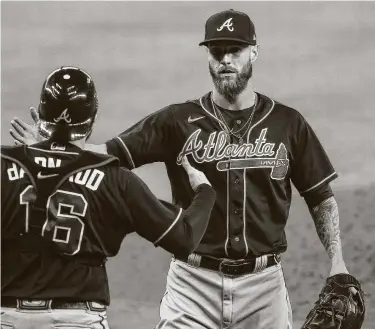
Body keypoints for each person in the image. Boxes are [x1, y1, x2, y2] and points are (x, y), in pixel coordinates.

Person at [10, 9, 353, 329]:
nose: (226, 60)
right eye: (217, 51)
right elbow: (106, 153)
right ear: (207, 56)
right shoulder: (175, 120)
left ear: (254, 51)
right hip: (192, 283)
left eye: (235, 49)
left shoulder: (288, 124)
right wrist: (53, 145)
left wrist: (337, 261)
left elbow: (320, 196)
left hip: (264, 287)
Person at [2, 66, 217, 329]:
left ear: (42, 112)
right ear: (93, 117)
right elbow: (184, 238)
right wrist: (206, 193)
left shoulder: (4, 165)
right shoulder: (114, 180)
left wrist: (41, 154)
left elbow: (46, 176)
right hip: (77, 321)